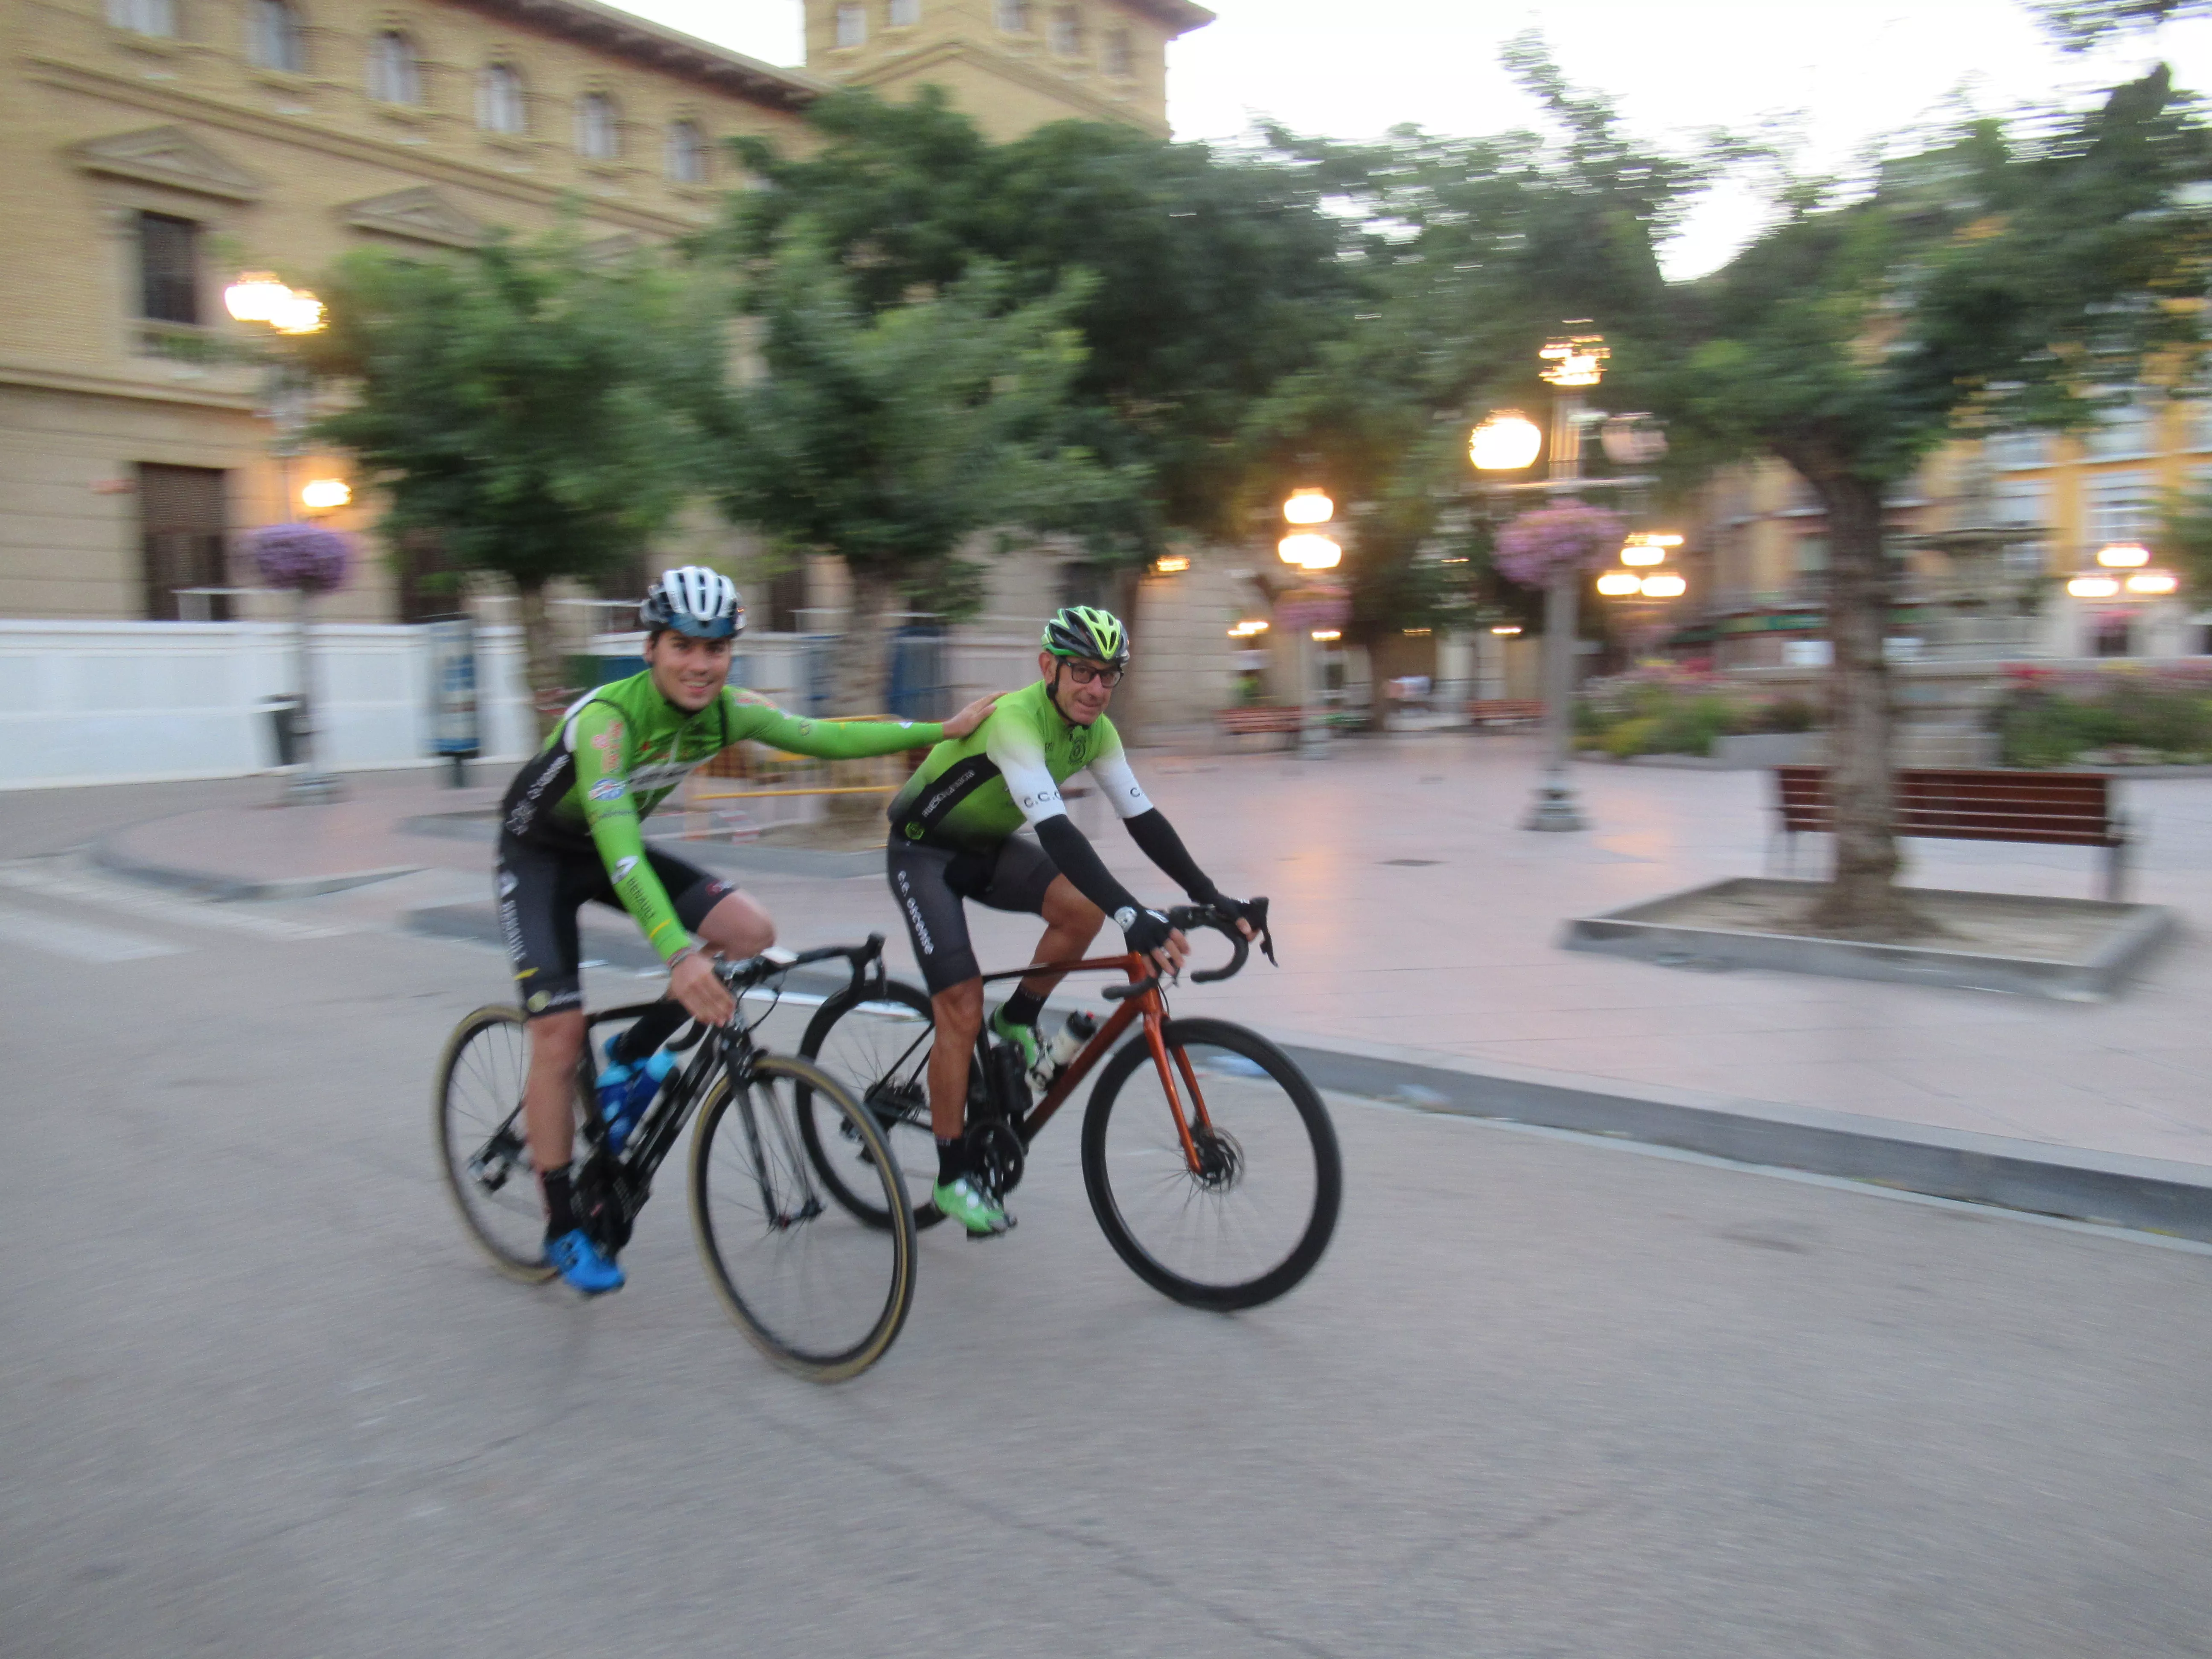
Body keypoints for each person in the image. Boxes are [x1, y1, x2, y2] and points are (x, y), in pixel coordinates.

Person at [499, 565, 999, 1294]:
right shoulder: (608, 722)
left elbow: (825, 737)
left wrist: (939, 731)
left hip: (614, 852)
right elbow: (619, 844)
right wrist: (675, 955)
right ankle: (561, 1221)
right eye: (682, 646)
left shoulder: (729, 711)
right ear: (652, 649)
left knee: (751, 932)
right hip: (544, 856)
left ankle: (633, 1058)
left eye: (716, 648)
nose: (701, 665)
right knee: (557, 1034)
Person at [884, 605, 1258, 1237]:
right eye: (1082, 672)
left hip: (984, 849)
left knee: (1080, 908)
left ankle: (1021, 1016)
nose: (1095, 688)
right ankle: (952, 1179)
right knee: (959, 1005)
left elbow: (1142, 820)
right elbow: (1056, 832)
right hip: (923, 853)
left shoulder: (1097, 732)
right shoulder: (1014, 722)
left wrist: (1213, 894)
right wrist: (1130, 912)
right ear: (1048, 667)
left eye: (1109, 676)